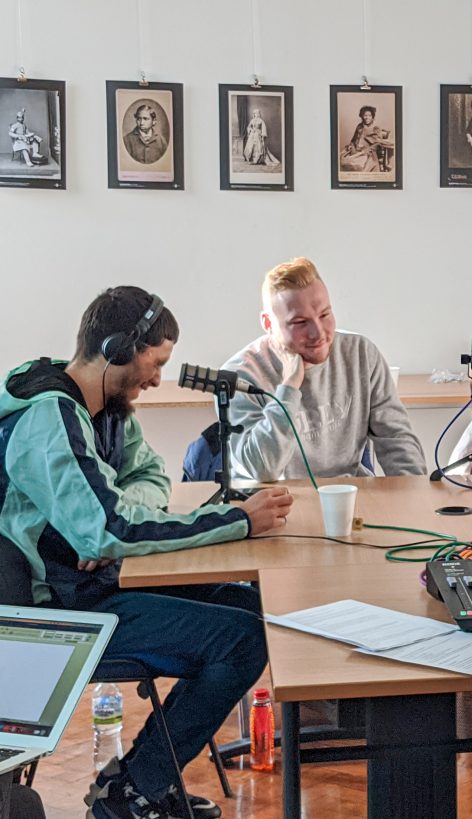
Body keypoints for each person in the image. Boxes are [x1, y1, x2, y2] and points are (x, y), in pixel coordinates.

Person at [0, 286, 294, 819]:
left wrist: (99, 525)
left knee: (251, 608)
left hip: (94, 579)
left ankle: (134, 782)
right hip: (51, 611)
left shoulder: (106, 407)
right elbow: (109, 531)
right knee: (242, 641)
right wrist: (239, 519)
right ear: (117, 349)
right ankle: (134, 792)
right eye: (155, 362)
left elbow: (148, 479)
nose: (158, 378)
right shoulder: (50, 416)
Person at [223, 257, 425, 481]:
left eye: (324, 315)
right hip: (276, 504)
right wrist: (289, 387)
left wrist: (416, 495)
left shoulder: (360, 354)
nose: (318, 333)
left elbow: (396, 440)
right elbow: (262, 469)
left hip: (348, 497)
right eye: (300, 322)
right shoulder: (240, 376)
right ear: (268, 324)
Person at [341, 105, 393, 172]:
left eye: (369, 115)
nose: (367, 117)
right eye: (365, 115)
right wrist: (351, 145)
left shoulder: (375, 128)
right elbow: (353, 139)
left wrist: (365, 150)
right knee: (342, 160)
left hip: (368, 154)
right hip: (355, 151)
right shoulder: (359, 126)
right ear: (362, 116)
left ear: (372, 117)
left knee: (359, 166)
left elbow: (379, 144)